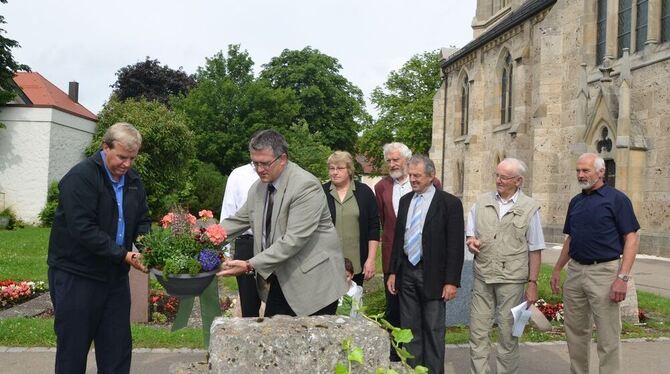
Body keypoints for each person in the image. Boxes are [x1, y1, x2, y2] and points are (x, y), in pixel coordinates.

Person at [47, 122, 150, 374]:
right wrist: (124, 254)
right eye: (122, 157)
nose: (127, 164)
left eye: (132, 158)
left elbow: (143, 220)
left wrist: (148, 249)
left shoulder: (133, 180)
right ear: (105, 147)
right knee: (73, 349)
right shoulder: (80, 177)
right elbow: (83, 229)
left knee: (117, 348)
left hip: (114, 277)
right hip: (77, 275)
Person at [217, 129, 347, 317]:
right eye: (255, 163)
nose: (260, 169)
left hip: (315, 286)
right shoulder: (259, 188)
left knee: (312, 345)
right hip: (283, 280)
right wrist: (201, 238)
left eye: (265, 163)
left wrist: (248, 265)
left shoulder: (306, 186)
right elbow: (237, 221)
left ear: (283, 159)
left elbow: (293, 240)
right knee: (275, 340)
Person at [550, 153, 640, 374]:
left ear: (601, 172)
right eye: (578, 171)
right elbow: (570, 239)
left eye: (586, 170)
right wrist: (557, 268)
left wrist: (622, 278)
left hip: (605, 272)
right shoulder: (576, 202)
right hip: (576, 272)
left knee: (608, 336)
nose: (581, 175)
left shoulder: (617, 200)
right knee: (575, 333)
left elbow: (632, 238)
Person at [465, 158, 545, 374]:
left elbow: (535, 248)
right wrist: (471, 242)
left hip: (512, 280)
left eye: (504, 177)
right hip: (483, 277)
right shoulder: (481, 203)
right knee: (477, 333)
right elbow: (471, 234)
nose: (498, 180)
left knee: (508, 336)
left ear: (518, 181)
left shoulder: (530, 208)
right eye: (497, 175)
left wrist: (532, 283)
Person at [386, 155, 464, 374]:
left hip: (434, 276)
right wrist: (393, 271)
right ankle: (413, 370)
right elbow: (398, 238)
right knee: (410, 329)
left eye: (417, 176)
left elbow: (455, 246)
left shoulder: (449, 204)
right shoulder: (405, 201)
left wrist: (451, 281)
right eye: (410, 175)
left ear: (431, 176)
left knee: (433, 328)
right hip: (407, 273)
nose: (412, 179)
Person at [374, 143, 442, 354]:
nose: (392, 164)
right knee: (394, 311)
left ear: (407, 160)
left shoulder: (432, 184)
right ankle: (396, 357)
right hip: (393, 259)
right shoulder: (381, 187)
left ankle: (421, 358)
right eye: (389, 161)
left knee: (423, 315)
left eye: (396, 160)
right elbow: (383, 223)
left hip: (423, 259)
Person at [323, 150, 380, 286]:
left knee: (352, 305)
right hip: (326, 263)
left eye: (340, 168)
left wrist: (371, 259)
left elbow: (374, 228)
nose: (335, 172)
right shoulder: (321, 192)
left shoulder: (364, 192)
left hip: (356, 264)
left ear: (349, 170)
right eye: (332, 168)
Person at [220, 163, 261, 317]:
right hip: (247, 242)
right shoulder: (238, 174)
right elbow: (229, 212)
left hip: (275, 243)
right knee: (249, 303)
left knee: (277, 301)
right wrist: (223, 252)